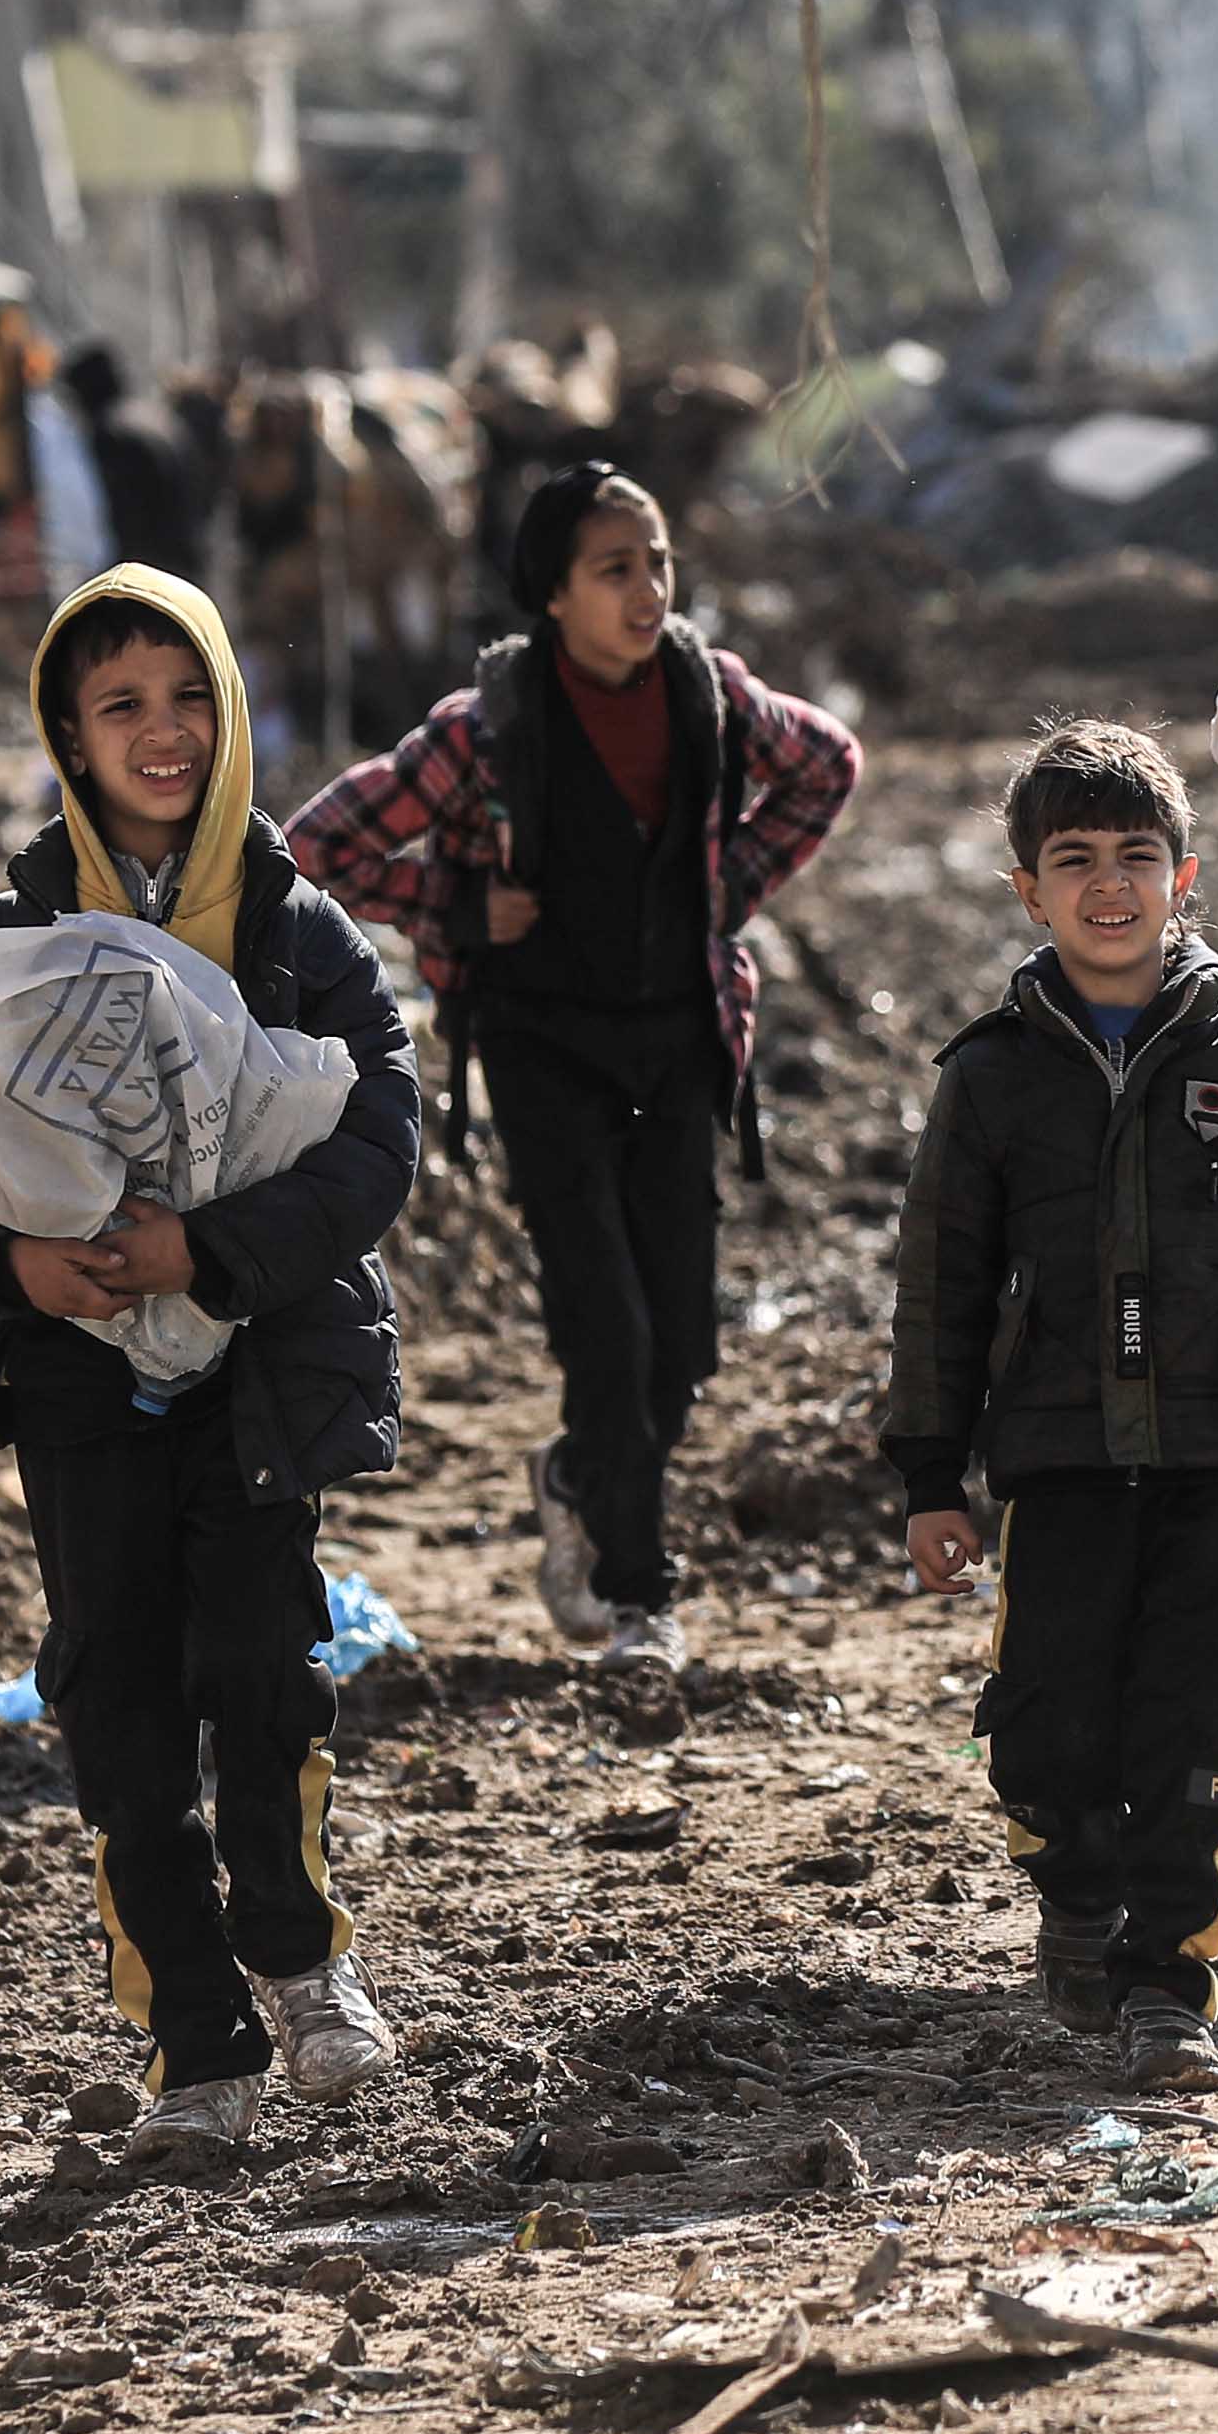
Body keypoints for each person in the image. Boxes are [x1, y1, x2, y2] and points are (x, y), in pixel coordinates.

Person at [0, 569, 418, 2153]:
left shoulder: (298, 934)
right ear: (67, 735)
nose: (163, 734)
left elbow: (376, 1138)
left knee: (262, 1669)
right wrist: (16, 1266)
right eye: (122, 707)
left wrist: (214, 1252)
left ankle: (305, 1966)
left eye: (189, 700)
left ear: (232, 716)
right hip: (72, 1381)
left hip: (256, 1368)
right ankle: (196, 2045)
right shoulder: (8, 947)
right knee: (115, 1689)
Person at [878, 721, 1218, 2094]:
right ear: (1026, 891)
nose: (1111, 885)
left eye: (1138, 857)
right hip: (1052, 1456)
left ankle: (1171, 1982)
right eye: (1074, 861)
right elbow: (937, 1286)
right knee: (1043, 1726)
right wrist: (932, 1474)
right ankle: (1076, 1893)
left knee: (1199, 1720)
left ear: (1187, 878)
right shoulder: (988, 1079)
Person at [285, 467, 862, 1667]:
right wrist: (450, 902)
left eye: (656, 562)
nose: (648, 589)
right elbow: (318, 844)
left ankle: (575, 1472)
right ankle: (638, 1596)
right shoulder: (486, 728)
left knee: (685, 1344)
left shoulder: (711, 696)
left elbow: (830, 765)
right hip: (545, 1052)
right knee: (608, 1332)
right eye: (615, 569)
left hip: (682, 1045)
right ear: (551, 593)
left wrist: (726, 888)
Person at [70, 337, 212, 589]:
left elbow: (125, 512)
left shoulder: (112, 432)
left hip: (150, 569)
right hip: (184, 558)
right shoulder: (155, 416)